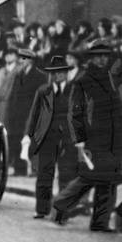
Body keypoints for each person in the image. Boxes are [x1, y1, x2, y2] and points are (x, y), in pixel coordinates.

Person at [52, 40, 122, 231]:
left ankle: (100, 222)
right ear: (91, 58)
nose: (102, 59)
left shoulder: (110, 76)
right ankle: (61, 203)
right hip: (94, 137)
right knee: (90, 176)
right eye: (98, 56)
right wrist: (80, 139)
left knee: (109, 178)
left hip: (114, 137)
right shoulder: (84, 79)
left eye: (105, 55)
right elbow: (75, 112)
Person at [22, 56, 77, 219]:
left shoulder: (75, 90)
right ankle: (42, 209)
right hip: (47, 138)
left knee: (67, 175)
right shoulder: (43, 91)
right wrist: (28, 134)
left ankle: (62, 211)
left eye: (62, 72)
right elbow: (34, 115)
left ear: (67, 73)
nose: (59, 75)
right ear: (51, 74)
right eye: (56, 72)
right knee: (45, 174)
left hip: (68, 139)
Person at [8, 48, 45, 176]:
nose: (21, 61)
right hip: (18, 113)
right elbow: (13, 94)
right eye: (20, 58)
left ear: (31, 61)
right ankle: (20, 169)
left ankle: (35, 169)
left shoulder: (40, 76)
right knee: (17, 139)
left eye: (24, 58)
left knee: (34, 140)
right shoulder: (18, 75)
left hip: (32, 112)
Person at [0, 44, 18, 124]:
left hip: (10, 107)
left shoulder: (18, 71)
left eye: (11, 54)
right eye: (6, 54)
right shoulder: (1, 71)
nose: (8, 56)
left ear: (16, 57)